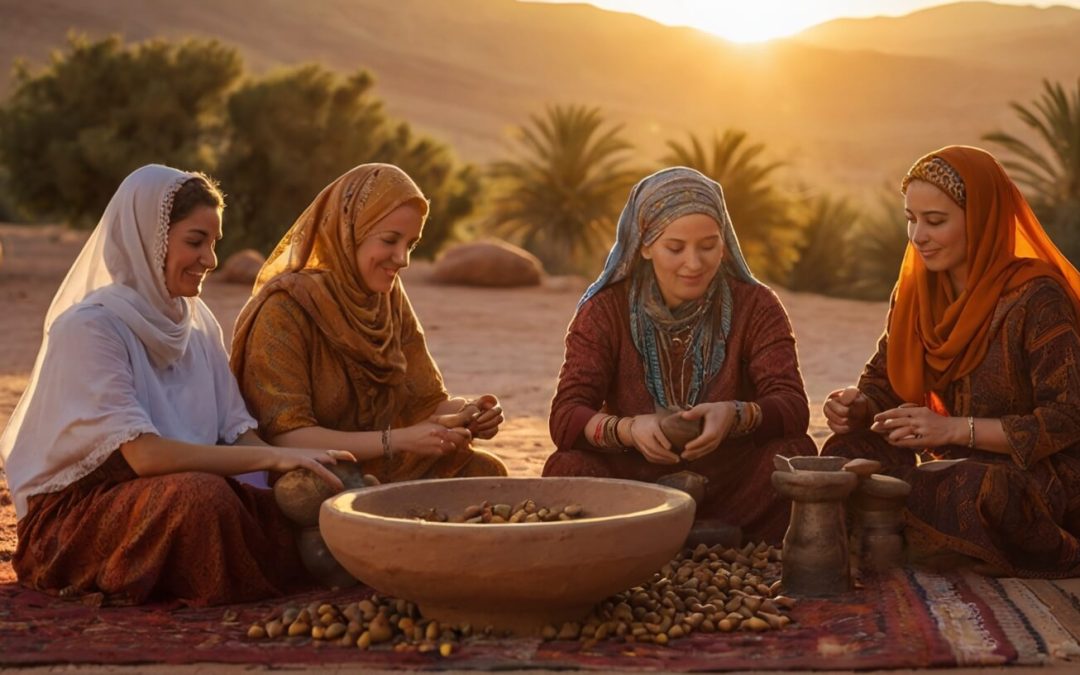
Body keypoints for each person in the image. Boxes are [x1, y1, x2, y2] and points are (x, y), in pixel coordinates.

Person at [0, 165, 353, 606]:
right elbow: (145, 456)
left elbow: (236, 430)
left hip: (185, 484)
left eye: (214, 244)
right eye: (195, 242)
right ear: (149, 240)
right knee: (203, 500)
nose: (211, 260)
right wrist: (275, 456)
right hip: (79, 513)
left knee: (312, 496)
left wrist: (291, 474)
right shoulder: (91, 328)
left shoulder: (195, 320)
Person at [823, 145, 1080, 577]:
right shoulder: (917, 294)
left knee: (982, 489)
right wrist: (857, 406)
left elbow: (1068, 417)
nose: (918, 235)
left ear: (980, 219)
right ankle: (933, 534)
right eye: (911, 219)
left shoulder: (1037, 297)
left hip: (1035, 475)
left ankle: (917, 529)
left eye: (935, 221)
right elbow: (882, 383)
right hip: (948, 465)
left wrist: (955, 429)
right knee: (842, 456)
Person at [543, 166, 816, 543]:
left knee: (795, 453)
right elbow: (565, 417)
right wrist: (629, 429)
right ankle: (678, 536)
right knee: (566, 468)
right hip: (634, 486)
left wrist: (734, 415)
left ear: (725, 243)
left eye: (708, 246)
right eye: (675, 247)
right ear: (645, 244)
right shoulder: (605, 311)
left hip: (731, 486)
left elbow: (792, 407)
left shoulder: (756, 305)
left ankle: (675, 542)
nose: (694, 263)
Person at [230, 164, 507, 480]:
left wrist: (467, 413)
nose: (402, 259)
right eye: (390, 240)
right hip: (314, 468)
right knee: (316, 492)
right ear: (349, 231)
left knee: (485, 472)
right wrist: (397, 440)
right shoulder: (285, 308)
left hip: (387, 461)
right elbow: (286, 436)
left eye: (411, 245)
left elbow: (427, 403)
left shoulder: (386, 298)